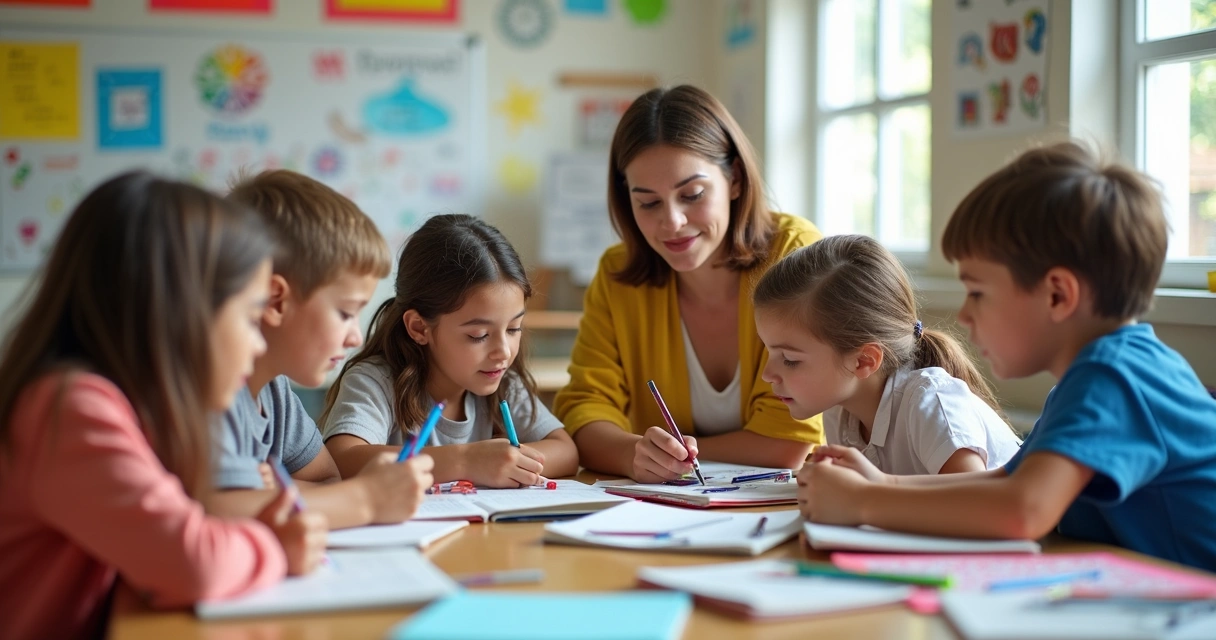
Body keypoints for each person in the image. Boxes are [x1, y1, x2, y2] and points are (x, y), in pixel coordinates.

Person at [799, 141, 1216, 572]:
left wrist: (864, 502)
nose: (964, 314)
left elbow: (1023, 510)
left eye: (978, 292)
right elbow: (1007, 481)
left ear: (1057, 294)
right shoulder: (1088, 380)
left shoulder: (1117, 377)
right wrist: (884, 483)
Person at [0, 172, 327, 640]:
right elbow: (195, 563)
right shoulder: (69, 407)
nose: (258, 345)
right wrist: (274, 546)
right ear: (182, 314)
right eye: (252, 318)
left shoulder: (128, 408)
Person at [554, 84, 823, 483]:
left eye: (692, 194)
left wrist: (657, 457)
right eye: (648, 202)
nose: (672, 221)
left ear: (733, 180)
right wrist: (634, 454)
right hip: (662, 510)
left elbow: (787, 444)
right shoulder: (617, 274)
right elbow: (585, 411)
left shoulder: (794, 252)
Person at [206, 170, 433, 528]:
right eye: (345, 313)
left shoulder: (274, 390)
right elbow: (218, 513)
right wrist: (366, 500)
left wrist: (273, 497)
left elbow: (329, 478)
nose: (355, 337)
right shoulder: (214, 390)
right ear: (276, 301)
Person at [322, 214, 578, 487]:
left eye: (514, 328)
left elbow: (566, 451)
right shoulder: (376, 381)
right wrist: (465, 461)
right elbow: (342, 460)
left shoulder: (503, 383)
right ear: (419, 328)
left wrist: (508, 463)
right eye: (478, 335)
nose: (503, 352)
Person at [754, 234, 1021, 476]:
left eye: (789, 359)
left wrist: (868, 495)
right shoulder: (839, 411)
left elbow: (974, 508)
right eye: (768, 350)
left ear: (864, 361)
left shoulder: (930, 404)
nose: (767, 374)